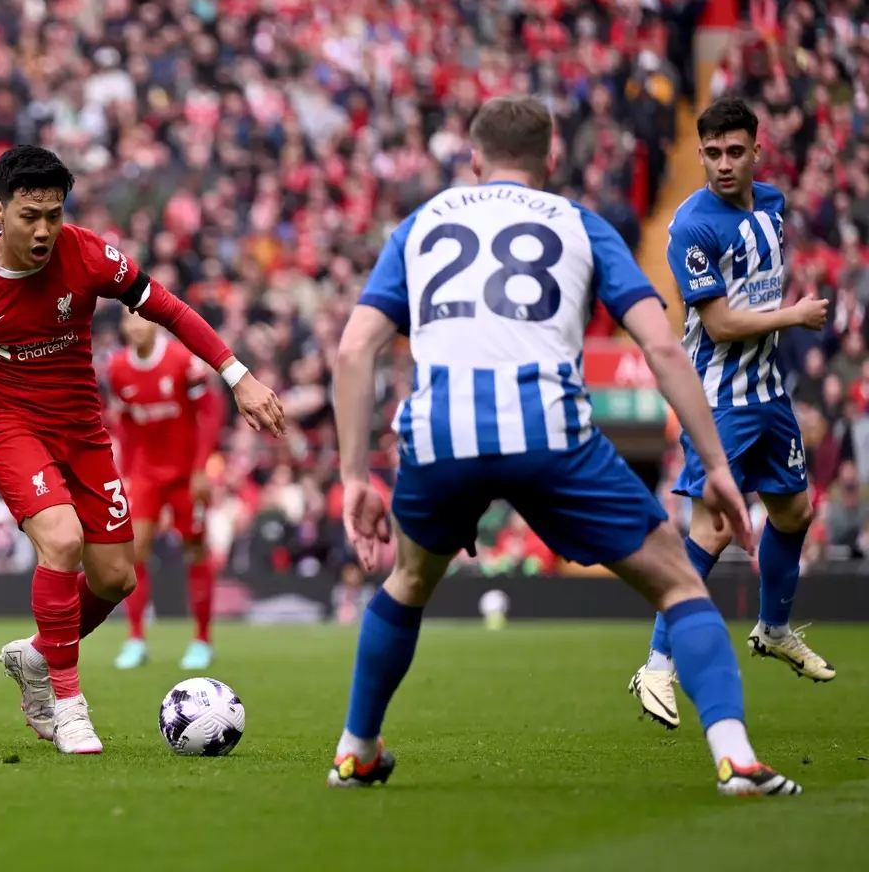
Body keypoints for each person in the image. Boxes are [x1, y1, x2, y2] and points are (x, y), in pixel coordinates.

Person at [330, 96, 801, 796]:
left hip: (439, 434)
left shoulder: (419, 225)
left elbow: (353, 350)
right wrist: (720, 468)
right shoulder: (579, 223)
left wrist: (351, 477)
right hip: (547, 429)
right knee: (677, 582)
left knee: (408, 581)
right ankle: (734, 756)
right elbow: (664, 347)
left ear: (473, 160)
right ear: (552, 161)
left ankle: (355, 751)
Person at [0, 145, 285, 754]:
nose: (44, 230)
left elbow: (168, 308)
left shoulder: (88, 254)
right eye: (30, 215)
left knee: (115, 579)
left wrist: (237, 375)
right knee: (61, 540)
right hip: (8, 427)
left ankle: (36, 655)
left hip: (82, 432)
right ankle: (67, 702)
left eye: (54, 214)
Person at [630, 98, 834, 731]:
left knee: (795, 511)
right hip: (719, 398)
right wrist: (793, 317)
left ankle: (772, 630)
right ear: (699, 154)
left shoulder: (771, 205)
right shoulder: (690, 227)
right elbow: (717, 325)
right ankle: (657, 664)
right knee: (714, 530)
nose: (723, 164)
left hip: (769, 393)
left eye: (734, 152)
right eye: (712, 153)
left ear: (756, 150)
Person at [104, 312, 224, 671]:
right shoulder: (117, 367)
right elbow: (124, 421)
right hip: (145, 474)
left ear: (154, 323)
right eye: (129, 320)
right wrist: (125, 470)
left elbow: (211, 412)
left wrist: (202, 467)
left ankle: (202, 639)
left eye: (142, 319)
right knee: (134, 549)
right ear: (123, 327)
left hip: (187, 472)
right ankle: (136, 638)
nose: (137, 326)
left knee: (194, 548)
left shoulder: (183, 361)